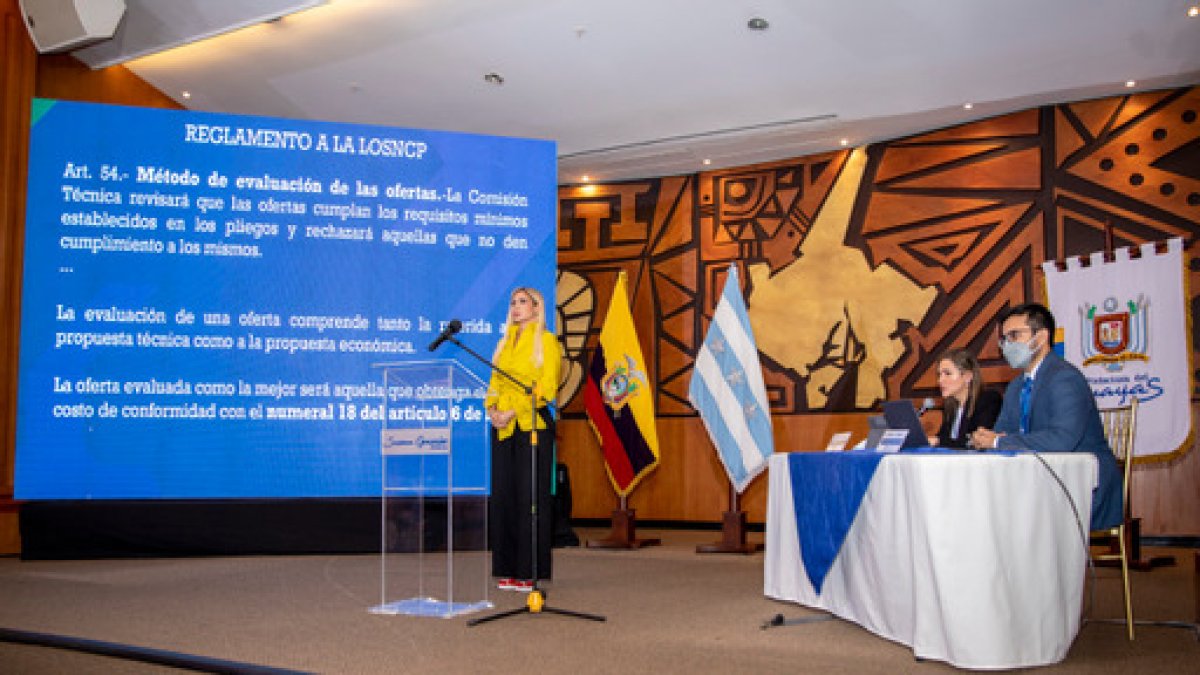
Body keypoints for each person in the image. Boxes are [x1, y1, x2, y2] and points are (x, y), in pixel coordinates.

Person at [969, 303, 1122, 530]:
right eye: (1004, 340)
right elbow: (1002, 432)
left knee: (1007, 512)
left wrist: (997, 442)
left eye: (1014, 336)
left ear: (1041, 337)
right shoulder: (1016, 385)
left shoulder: (1065, 378)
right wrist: (986, 439)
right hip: (1036, 476)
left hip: (1081, 482)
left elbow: (1062, 440)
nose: (1007, 346)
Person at [485, 286, 561, 592]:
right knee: (504, 497)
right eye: (513, 302)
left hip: (532, 425)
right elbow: (495, 381)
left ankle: (529, 570)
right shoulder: (504, 342)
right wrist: (492, 409)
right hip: (503, 426)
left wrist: (514, 410)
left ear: (536, 307)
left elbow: (548, 386)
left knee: (530, 498)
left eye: (523, 302)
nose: (516, 307)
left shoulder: (546, 341)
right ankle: (508, 568)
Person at [930, 348, 1002, 449]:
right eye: (939, 375)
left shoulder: (988, 400)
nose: (940, 380)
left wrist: (939, 441)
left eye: (947, 374)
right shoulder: (951, 407)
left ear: (967, 377)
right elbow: (943, 437)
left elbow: (976, 441)